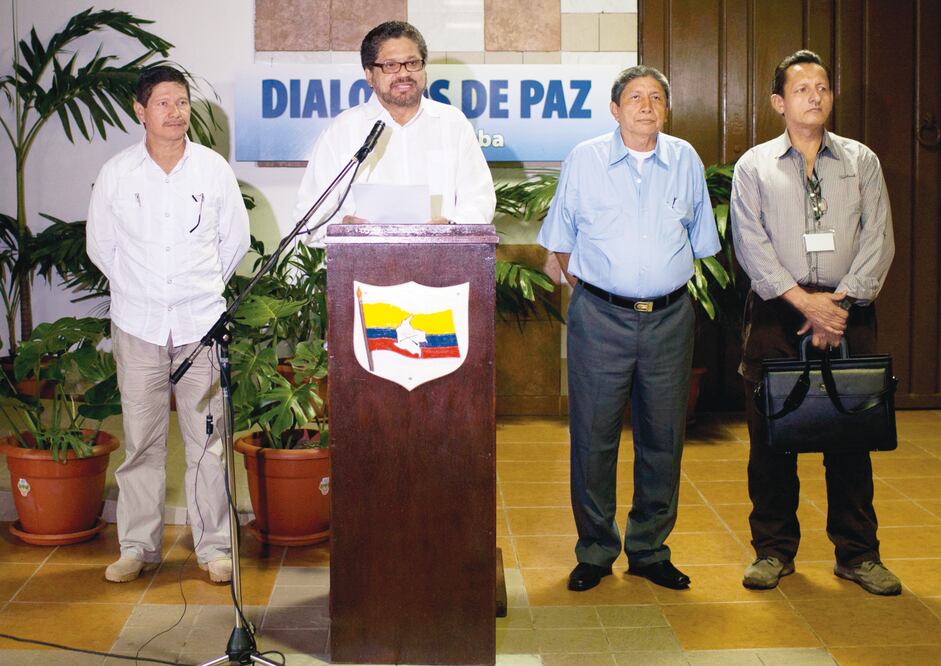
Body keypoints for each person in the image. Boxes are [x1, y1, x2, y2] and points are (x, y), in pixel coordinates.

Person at [538, 66, 720, 592]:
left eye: (656, 97)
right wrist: (603, 293)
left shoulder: (684, 159)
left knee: (663, 438)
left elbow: (700, 239)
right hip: (599, 317)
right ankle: (595, 550)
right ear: (615, 110)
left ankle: (649, 550)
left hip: (669, 318)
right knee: (593, 439)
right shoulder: (585, 159)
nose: (646, 105)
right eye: (635, 97)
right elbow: (560, 244)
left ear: (666, 109)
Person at [730, 50, 899, 595]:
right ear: (779, 102)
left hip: (850, 314)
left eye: (823, 87)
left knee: (851, 435)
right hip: (781, 313)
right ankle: (773, 552)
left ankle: (859, 554)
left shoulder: (860, 160)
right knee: (771, 440)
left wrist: (841, 304)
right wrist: (807, 303)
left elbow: (879, 238)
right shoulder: (754, 166)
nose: (815, 96)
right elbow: (751, 246)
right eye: (802, 89)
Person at [87, 65, 250, 584]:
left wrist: (194, 292)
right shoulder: (117, 174)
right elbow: (102, 248)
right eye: (164, 102)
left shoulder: (212, 171)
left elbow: (233, 244)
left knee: (207, 440)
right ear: (140, 111)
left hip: (200, 327)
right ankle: (137, 546)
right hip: (138, 327)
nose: (176, 111)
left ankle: (214, 548)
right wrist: (144, 292)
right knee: (141, 442)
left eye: (182, 102)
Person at [293, 21, 495, 240]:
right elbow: (309, 215)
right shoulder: (344, 130)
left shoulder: (452, 123)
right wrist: (341, 228)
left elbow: (479, 199)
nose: (404, 74)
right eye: (390, 65)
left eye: (412, 63)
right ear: (369, 74)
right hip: (363, 268)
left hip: (440, 262)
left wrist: (452, 226)